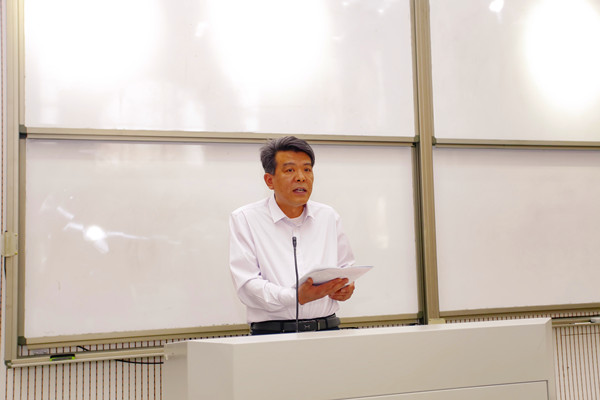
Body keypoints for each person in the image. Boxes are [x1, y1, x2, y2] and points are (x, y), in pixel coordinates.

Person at [229, 136, 356, 335]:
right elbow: (247, 285)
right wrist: (295, 297)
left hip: (328, 330)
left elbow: (345, 267)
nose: (301, 177)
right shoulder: (246, 218)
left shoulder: (328, 216)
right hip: (272, 335)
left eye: (307, 169)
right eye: (290, 170)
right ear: (269, 180)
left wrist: (345, 288)